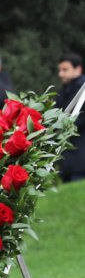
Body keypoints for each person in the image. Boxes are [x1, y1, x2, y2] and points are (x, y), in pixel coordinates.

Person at [58, 52, 85, 183]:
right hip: (69, 156)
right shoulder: (65, 90)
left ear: (78, 69)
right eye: (60, 70)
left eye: (65, 70)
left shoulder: (81, 91)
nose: (60, 74)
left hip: (80, 154)